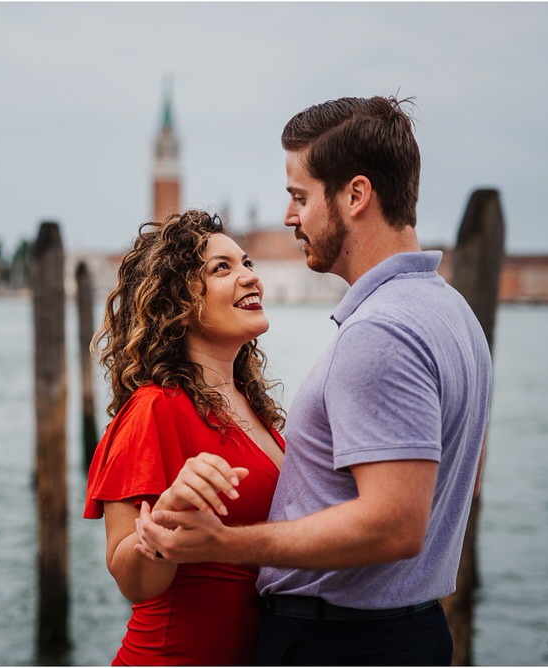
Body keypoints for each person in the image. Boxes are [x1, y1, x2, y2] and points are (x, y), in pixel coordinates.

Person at [135, 96, 492, 666]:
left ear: (355, 196)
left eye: (299, 196)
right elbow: (461, 482)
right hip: (408, 633)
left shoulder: (381, 331)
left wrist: (225, 544)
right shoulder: (456, 315)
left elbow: (395, 525)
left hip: (338, 642)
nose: (287, 216)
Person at [84, 209, 287, 665]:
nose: (250, 277)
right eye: (223, 268)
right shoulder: (155, 407)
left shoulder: (255, 409)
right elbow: (131, 580)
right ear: (178, 302)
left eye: (247, 263)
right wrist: (169, 515)